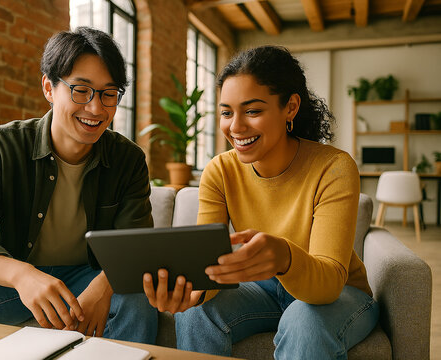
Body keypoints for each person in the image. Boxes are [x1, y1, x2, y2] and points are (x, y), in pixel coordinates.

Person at [143, 46, 379, 358]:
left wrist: (285, 257)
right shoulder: (220, 171)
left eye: (252, 111)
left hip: (339, 293)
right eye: (227, 112)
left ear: (290, 107)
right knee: (195, 314)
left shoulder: (333, 167)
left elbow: (328, 283)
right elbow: (210, 265)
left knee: (304, 321)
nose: (236, 127)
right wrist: (192, 293)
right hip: (262, 289)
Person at [0, 27, 158, 343]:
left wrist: (104, 286)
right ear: (49, 88)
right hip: (13, 277)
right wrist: (22, 276)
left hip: (87, 274)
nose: (96, 108)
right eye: (81, 90)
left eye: (109, 93)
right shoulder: (0, 146)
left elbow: (136, 244)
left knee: (136, 299)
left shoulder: (127, 159)